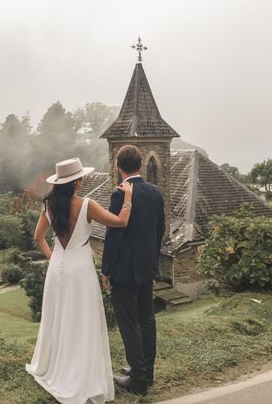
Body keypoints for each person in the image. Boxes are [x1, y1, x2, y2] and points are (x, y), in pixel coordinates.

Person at [26, 157, 134, 404]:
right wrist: (128, 197)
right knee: (82, 319)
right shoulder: (87, 205)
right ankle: (77, 372)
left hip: (57, 269)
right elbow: (120, 222)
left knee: (59, 317)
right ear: (76, 183)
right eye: (80, 178)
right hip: (80, 269)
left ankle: (55, 366)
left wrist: (55, 257)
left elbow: (38, 237)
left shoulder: (49, 206)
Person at [101, 145, 165, 395]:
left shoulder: (119, 195)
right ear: (140, 165)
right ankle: (145, 372)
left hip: (125, 271)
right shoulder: (155, 192)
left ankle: (138, 379)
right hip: (147, 267)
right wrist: (153, 260)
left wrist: (106, 269)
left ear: (118, 166)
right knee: (147, 321)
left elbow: (114, 235)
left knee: (129, 324)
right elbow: (160, 229)